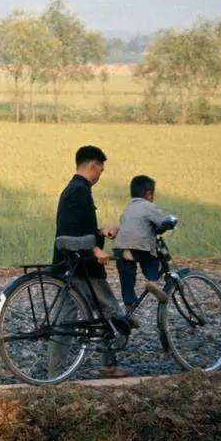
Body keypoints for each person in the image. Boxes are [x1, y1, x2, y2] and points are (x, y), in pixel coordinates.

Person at [51, 145, 131, 379]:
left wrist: (99, 232)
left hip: (69, 265)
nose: (100, 174)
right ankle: (108, 366)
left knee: (64, 321)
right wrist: (95, 248)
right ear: (92, 166)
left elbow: (79, 228)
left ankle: (53, 373)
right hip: (83, 267)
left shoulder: (73, 189)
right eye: (101, 170)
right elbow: (68, 231)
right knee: (112, 313)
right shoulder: (79, 191)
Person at [113, 175, 171, 323]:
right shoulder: (149, 206)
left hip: (120, 247)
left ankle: (129, 309)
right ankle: (152, 281)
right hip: (140, 246)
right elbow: (162, 222)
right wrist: (169, 223)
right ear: (148, 194)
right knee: (152, 260)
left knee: (127, 279)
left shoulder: (127, 208)